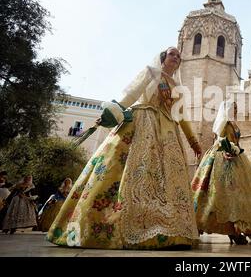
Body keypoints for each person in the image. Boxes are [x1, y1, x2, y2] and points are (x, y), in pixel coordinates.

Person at [46, 47, 202, 249]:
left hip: (168, 133)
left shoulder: (179, 88)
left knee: (167, 182)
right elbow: (131, 94)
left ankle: (170, 231)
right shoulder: (151, 72)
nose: (176, 57)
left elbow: (181, 116)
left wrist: (193, 141)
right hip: (142, 122)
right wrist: (112, 111)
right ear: (163, 58)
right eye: (172, 53)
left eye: (179, 56)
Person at [191, 100, 251, 245]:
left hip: (236, 158)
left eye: (236, 108)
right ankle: (225, 230)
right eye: (234, 108)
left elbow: (236, 141)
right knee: (220, 193)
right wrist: (227, 151)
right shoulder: (224, 123)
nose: (236, 110)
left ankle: (241, 229)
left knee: (238, 195)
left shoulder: (234, 124)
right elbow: (220, 139)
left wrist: (236, 150)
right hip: (223, 157)